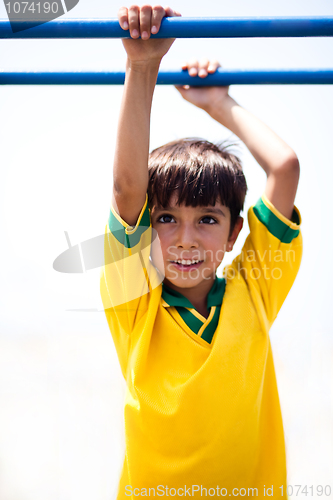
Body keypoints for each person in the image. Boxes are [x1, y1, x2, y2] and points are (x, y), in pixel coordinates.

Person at [100, 5, 302, 499]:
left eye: (207, 220)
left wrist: (219, 104)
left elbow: (284, 169)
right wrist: (142, 66)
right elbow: (128, 190)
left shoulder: (254, 289)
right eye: (167, 219)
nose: (187, 238)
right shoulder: (136, 305)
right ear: (149, 230)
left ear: (235, 233)